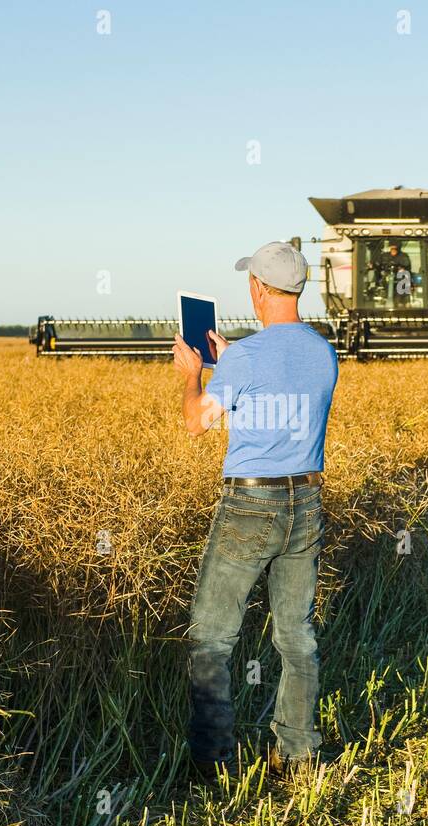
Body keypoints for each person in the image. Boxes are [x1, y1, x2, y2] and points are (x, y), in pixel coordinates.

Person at [171, 241, 339, 780]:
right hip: (306, 503)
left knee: (212, 638)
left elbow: (198, 421)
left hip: (251, 504)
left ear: (258, 289)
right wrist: (232, 361)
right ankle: (298, 755)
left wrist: (193, 374)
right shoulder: (322, 351)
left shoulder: (244, 358)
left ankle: (213, 762)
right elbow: (281, 384)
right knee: (297, 635)